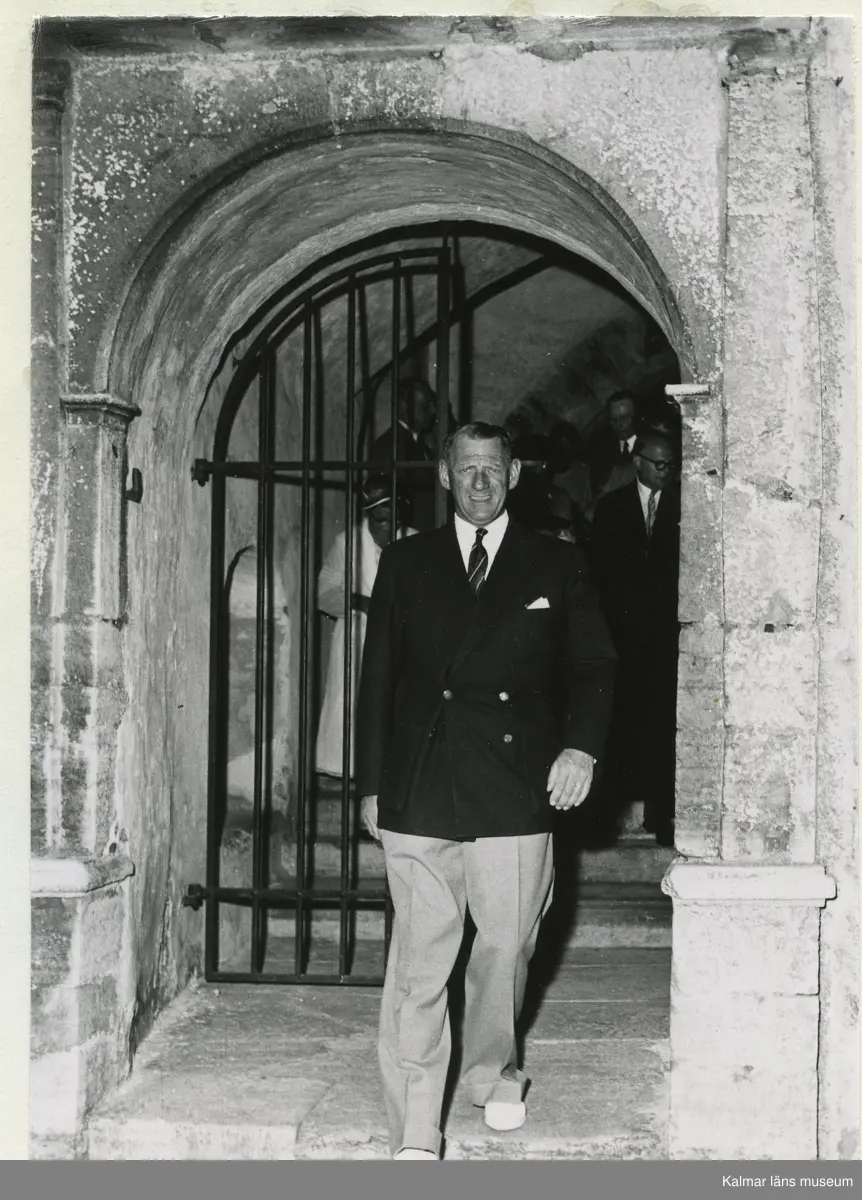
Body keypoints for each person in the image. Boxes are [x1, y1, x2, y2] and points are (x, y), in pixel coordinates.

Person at [356, 422, 617, 1160]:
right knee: (419, 961)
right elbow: (378, 681)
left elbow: (595, 665)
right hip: (422, 784)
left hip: (515, 787)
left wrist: (581, 747)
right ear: (444, 475)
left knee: (505, 947)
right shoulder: (406, 562)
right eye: (466, 468)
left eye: (492, 469)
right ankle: (415, 1128)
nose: (479, 482)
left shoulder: (556, 562)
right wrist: (372, 785)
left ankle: (491, 1071)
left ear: (515, 474)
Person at [589, 432, 680, 846]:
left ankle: (662, 816)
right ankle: (609, 818)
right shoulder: (611, 508)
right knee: (620, 727)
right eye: (659, 464)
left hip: (665, 643)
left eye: (670, 464)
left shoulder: (683, 505)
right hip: (622, 639)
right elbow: (600, 575)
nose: (666, 471)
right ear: (638, 462)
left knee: (663, 729)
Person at [315, 476, 417, 778]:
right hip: (356, 637)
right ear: (368, 516)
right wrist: (359, 601)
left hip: (400, 639)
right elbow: (323, 593)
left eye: (394, 521)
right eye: (380, 521)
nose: (388, 529)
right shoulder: (347, 543)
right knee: (352, 701)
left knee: (395, 702)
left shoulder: (414, 541)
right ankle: (350, 774)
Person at [369, 376, 439, 531]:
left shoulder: (417, 442)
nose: (433, 410)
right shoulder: (389, 445)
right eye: (426, 405)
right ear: (404, 406)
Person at [508, 432, 576, 541]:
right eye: (523, 468)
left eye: (532, 469)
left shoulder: (558, 498)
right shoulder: (558, 497)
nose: (526, 475)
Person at [588, 392, 639, 501]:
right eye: (614, 419)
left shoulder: (649, 445)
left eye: (624, 418)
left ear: (635, 416)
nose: (619, 424)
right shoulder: (601, 452)